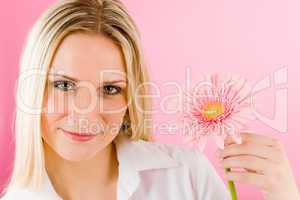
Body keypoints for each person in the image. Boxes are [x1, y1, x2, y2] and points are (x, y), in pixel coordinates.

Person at [1, 0, 299, 200]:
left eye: (110, 89)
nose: (88, 113)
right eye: (64, 85)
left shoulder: (186, 175)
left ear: (132, 97)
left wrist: (284, 194)